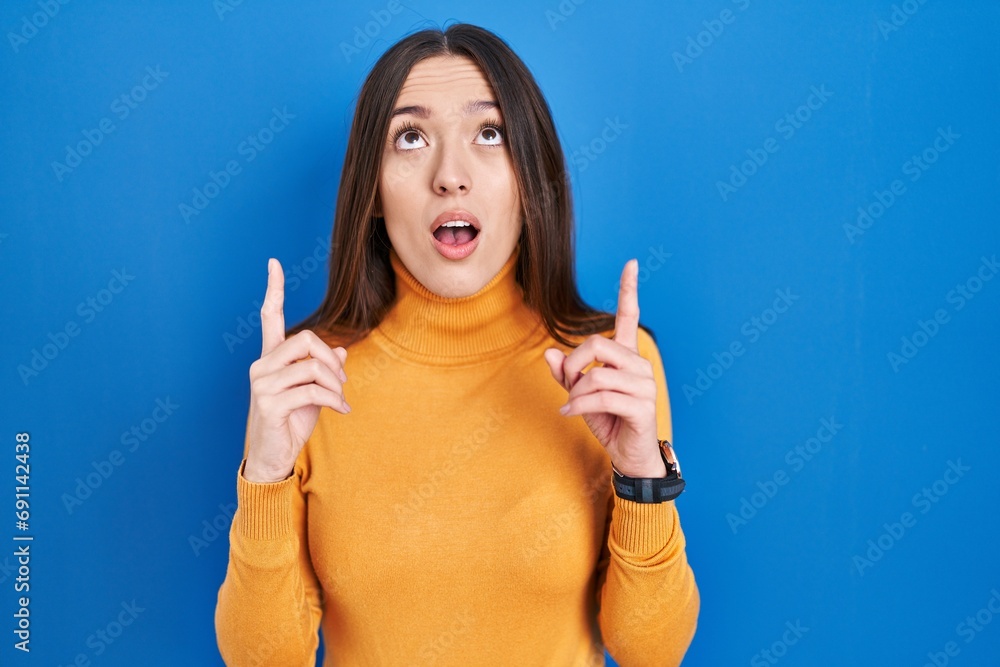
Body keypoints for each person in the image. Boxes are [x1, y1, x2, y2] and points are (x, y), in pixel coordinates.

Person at [214, 22, 699, 667]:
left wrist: (641, 476)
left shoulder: (614, 367)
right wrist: (266, 477)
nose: (451, 176)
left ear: (531, 182)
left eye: (489, 133)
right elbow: (261, 660)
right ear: (374, 195)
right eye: (410, 137)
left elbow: (650, 651)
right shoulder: (308, 375)